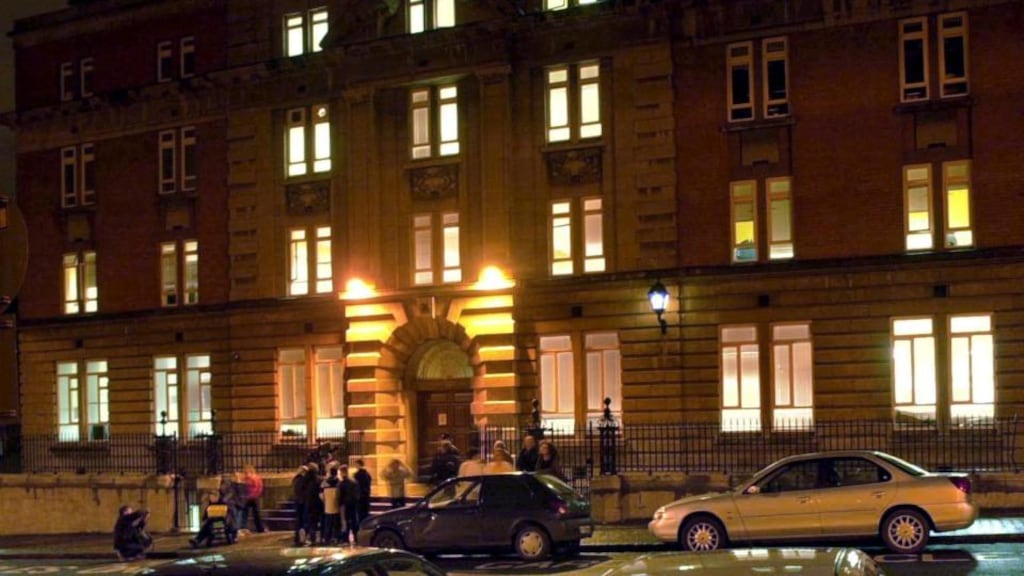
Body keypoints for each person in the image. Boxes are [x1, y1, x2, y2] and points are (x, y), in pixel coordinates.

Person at [301, 462, 323, 546]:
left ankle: (309, 537)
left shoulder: (305, 479)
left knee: (309, 521)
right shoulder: (318, 479)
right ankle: (314, 537)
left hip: (308, 502)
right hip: (317, 503)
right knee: (315, 521)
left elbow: (302, 490)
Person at [240, 464, 266, 533]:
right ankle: (260, 528)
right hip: (253, 497)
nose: (245, 474)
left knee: (246, 513)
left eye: (246, 472)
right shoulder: (256, 478)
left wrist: (248, 496)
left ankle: (243, 527)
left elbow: (245, 488)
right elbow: (259, 488)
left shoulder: (250, 479)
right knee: (255, 514)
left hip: (250, 498)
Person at [320, 464, 342, 545]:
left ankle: (327, 539)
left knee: (328, 525)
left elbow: (321, 495)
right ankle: (336, 538)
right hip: (336, 507)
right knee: (336, 525)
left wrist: (325, 501)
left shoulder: (324, 483)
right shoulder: (339, 482)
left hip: (327, 507)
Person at [338, 465, 360, 545]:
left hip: (344, 505)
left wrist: (339, 503)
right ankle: (356, 539)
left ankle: (345, 540)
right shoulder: (354, 482)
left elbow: (339, 495)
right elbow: (357, 494)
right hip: (353, 504)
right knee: (354, 521)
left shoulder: (341, 483)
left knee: (345, 522)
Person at [291, 465, 310, 545]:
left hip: (297, 501)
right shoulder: (302, 480)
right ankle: (301, 539)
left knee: (298, 521)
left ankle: (297, 538)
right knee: (302, 521)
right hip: (302, 502)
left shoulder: (295, 479)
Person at [353, 459, 373, 531]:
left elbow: (356, 486)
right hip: (366, 495)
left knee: (360, 514)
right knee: (365, 513)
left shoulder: (357, 475)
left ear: (358, 464)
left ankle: (361, 528)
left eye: (356, 464)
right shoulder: (367, 474)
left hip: (360, 496)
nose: (355, 466)